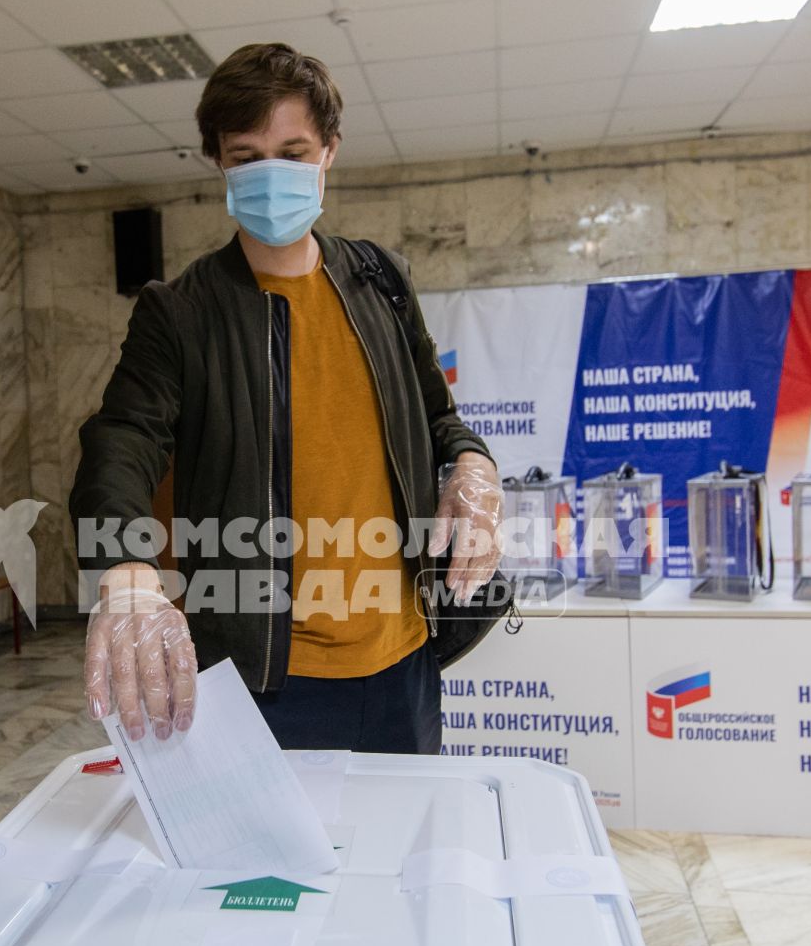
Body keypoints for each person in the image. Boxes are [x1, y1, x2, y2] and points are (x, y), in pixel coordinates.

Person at [70, 42, 501, 752]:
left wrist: (474, 466)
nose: (272, 175)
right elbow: (122, 440)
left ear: (330, 152)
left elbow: (438, 416)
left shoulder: (381, 282)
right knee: (273, 868)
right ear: (218, 162)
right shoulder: (181, 313)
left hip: (403, 663)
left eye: (294, 152)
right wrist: (128, 575)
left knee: (397, 858)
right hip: (263, 679)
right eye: (246, 156)